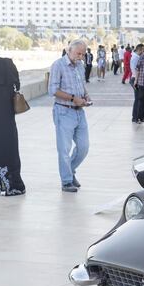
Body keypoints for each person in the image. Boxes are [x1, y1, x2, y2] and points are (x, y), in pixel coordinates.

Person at [49, 40, 90, 193]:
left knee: (83, 147)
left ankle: (70, 171)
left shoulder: (80, 65)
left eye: (83, 54)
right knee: (64, 149)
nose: (80, 56)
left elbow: (82, 85)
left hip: (80, 111)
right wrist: (73, 98)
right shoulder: (58, 65)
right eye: (78, 53)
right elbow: (52, 90)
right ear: (69, 50)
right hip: (64, 111)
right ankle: (66, 181)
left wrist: (86, 96)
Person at [0, 36, 26, 196]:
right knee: (9, 147)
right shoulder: (7, 63)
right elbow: (17, 84)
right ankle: (14, 185)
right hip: (5, 115)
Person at [130, 43, 144, 123]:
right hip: (135, 79)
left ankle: (139, 116)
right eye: (143, 50)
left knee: (140, 99)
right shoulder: (135, 58)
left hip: (136, 79)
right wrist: (136, 81)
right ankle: (135, 118)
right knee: (138, 99)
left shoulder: (137, 57)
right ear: (139, 50)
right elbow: (136, 70)